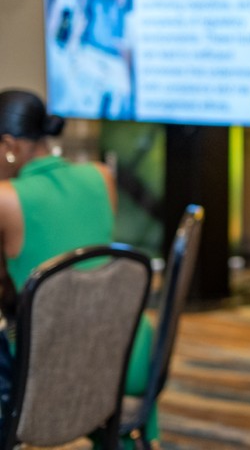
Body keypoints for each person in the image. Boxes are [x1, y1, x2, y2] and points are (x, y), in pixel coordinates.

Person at [0, 89, 156, 447]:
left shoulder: (7, 198)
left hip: (47, 368)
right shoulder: (101, 176)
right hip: (121, 351)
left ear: (8, 145)